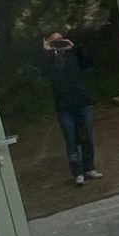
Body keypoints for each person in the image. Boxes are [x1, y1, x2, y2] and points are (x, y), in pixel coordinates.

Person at [41, 31, 101, 186]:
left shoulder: (73, 56)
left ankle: (89, 168)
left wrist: (75, 48)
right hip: (64, 108)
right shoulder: (50, 61)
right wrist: (46, 51)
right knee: (71, 140)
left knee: (87, 138)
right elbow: (44, 72)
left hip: (82, 103)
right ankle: (78, 173)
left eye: (60, 40)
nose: (58, 44)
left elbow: (89, 63)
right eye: (54, 41)